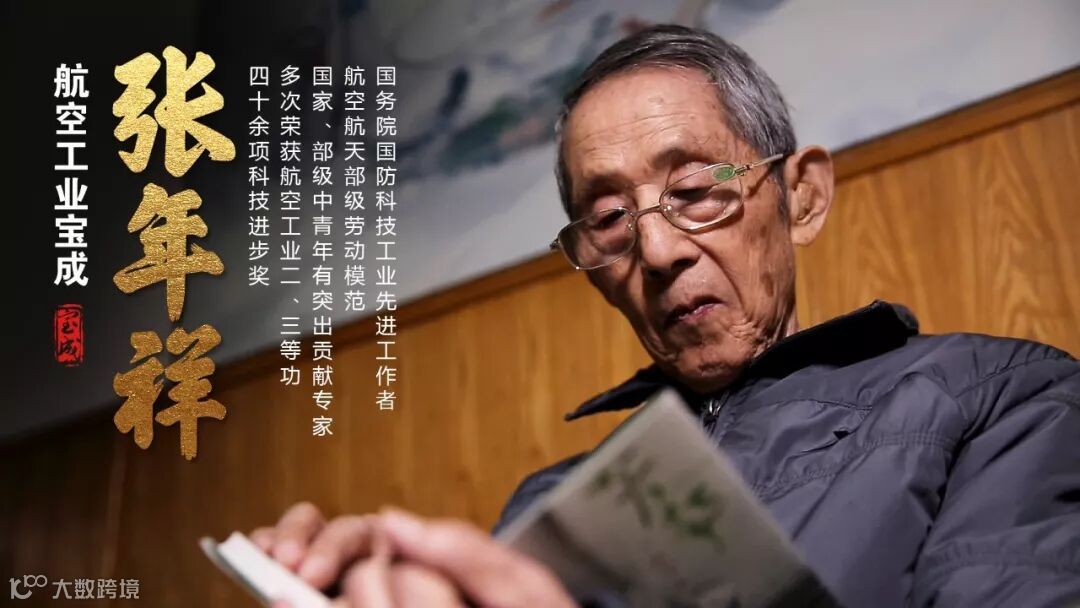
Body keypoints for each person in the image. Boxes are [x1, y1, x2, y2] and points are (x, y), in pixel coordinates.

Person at [252, 25, 1080, 607]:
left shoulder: (1000, 397)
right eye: (609, 218)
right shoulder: (554, 506)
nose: (655, 249)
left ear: (801, 196)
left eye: (692, 190)